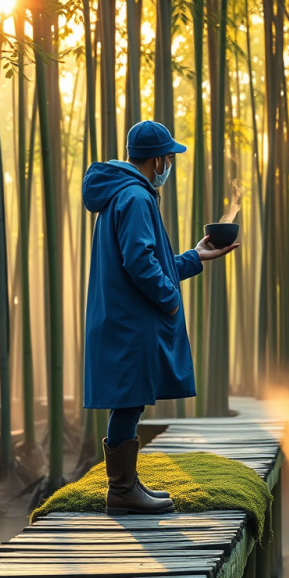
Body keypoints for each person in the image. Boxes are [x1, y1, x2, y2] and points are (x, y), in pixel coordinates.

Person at [82, 121, 238, 515]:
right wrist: (169, 299)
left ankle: (127, 485)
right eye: (170, 158)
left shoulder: (123, 194)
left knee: (129, 401)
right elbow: (139, 261)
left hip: (122, 316)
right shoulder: (135, 196)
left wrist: (194, 257)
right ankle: (121, 491)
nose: (170, 164)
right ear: (159, 160)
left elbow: (148, 259)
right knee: (129, 402)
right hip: (131, 320)